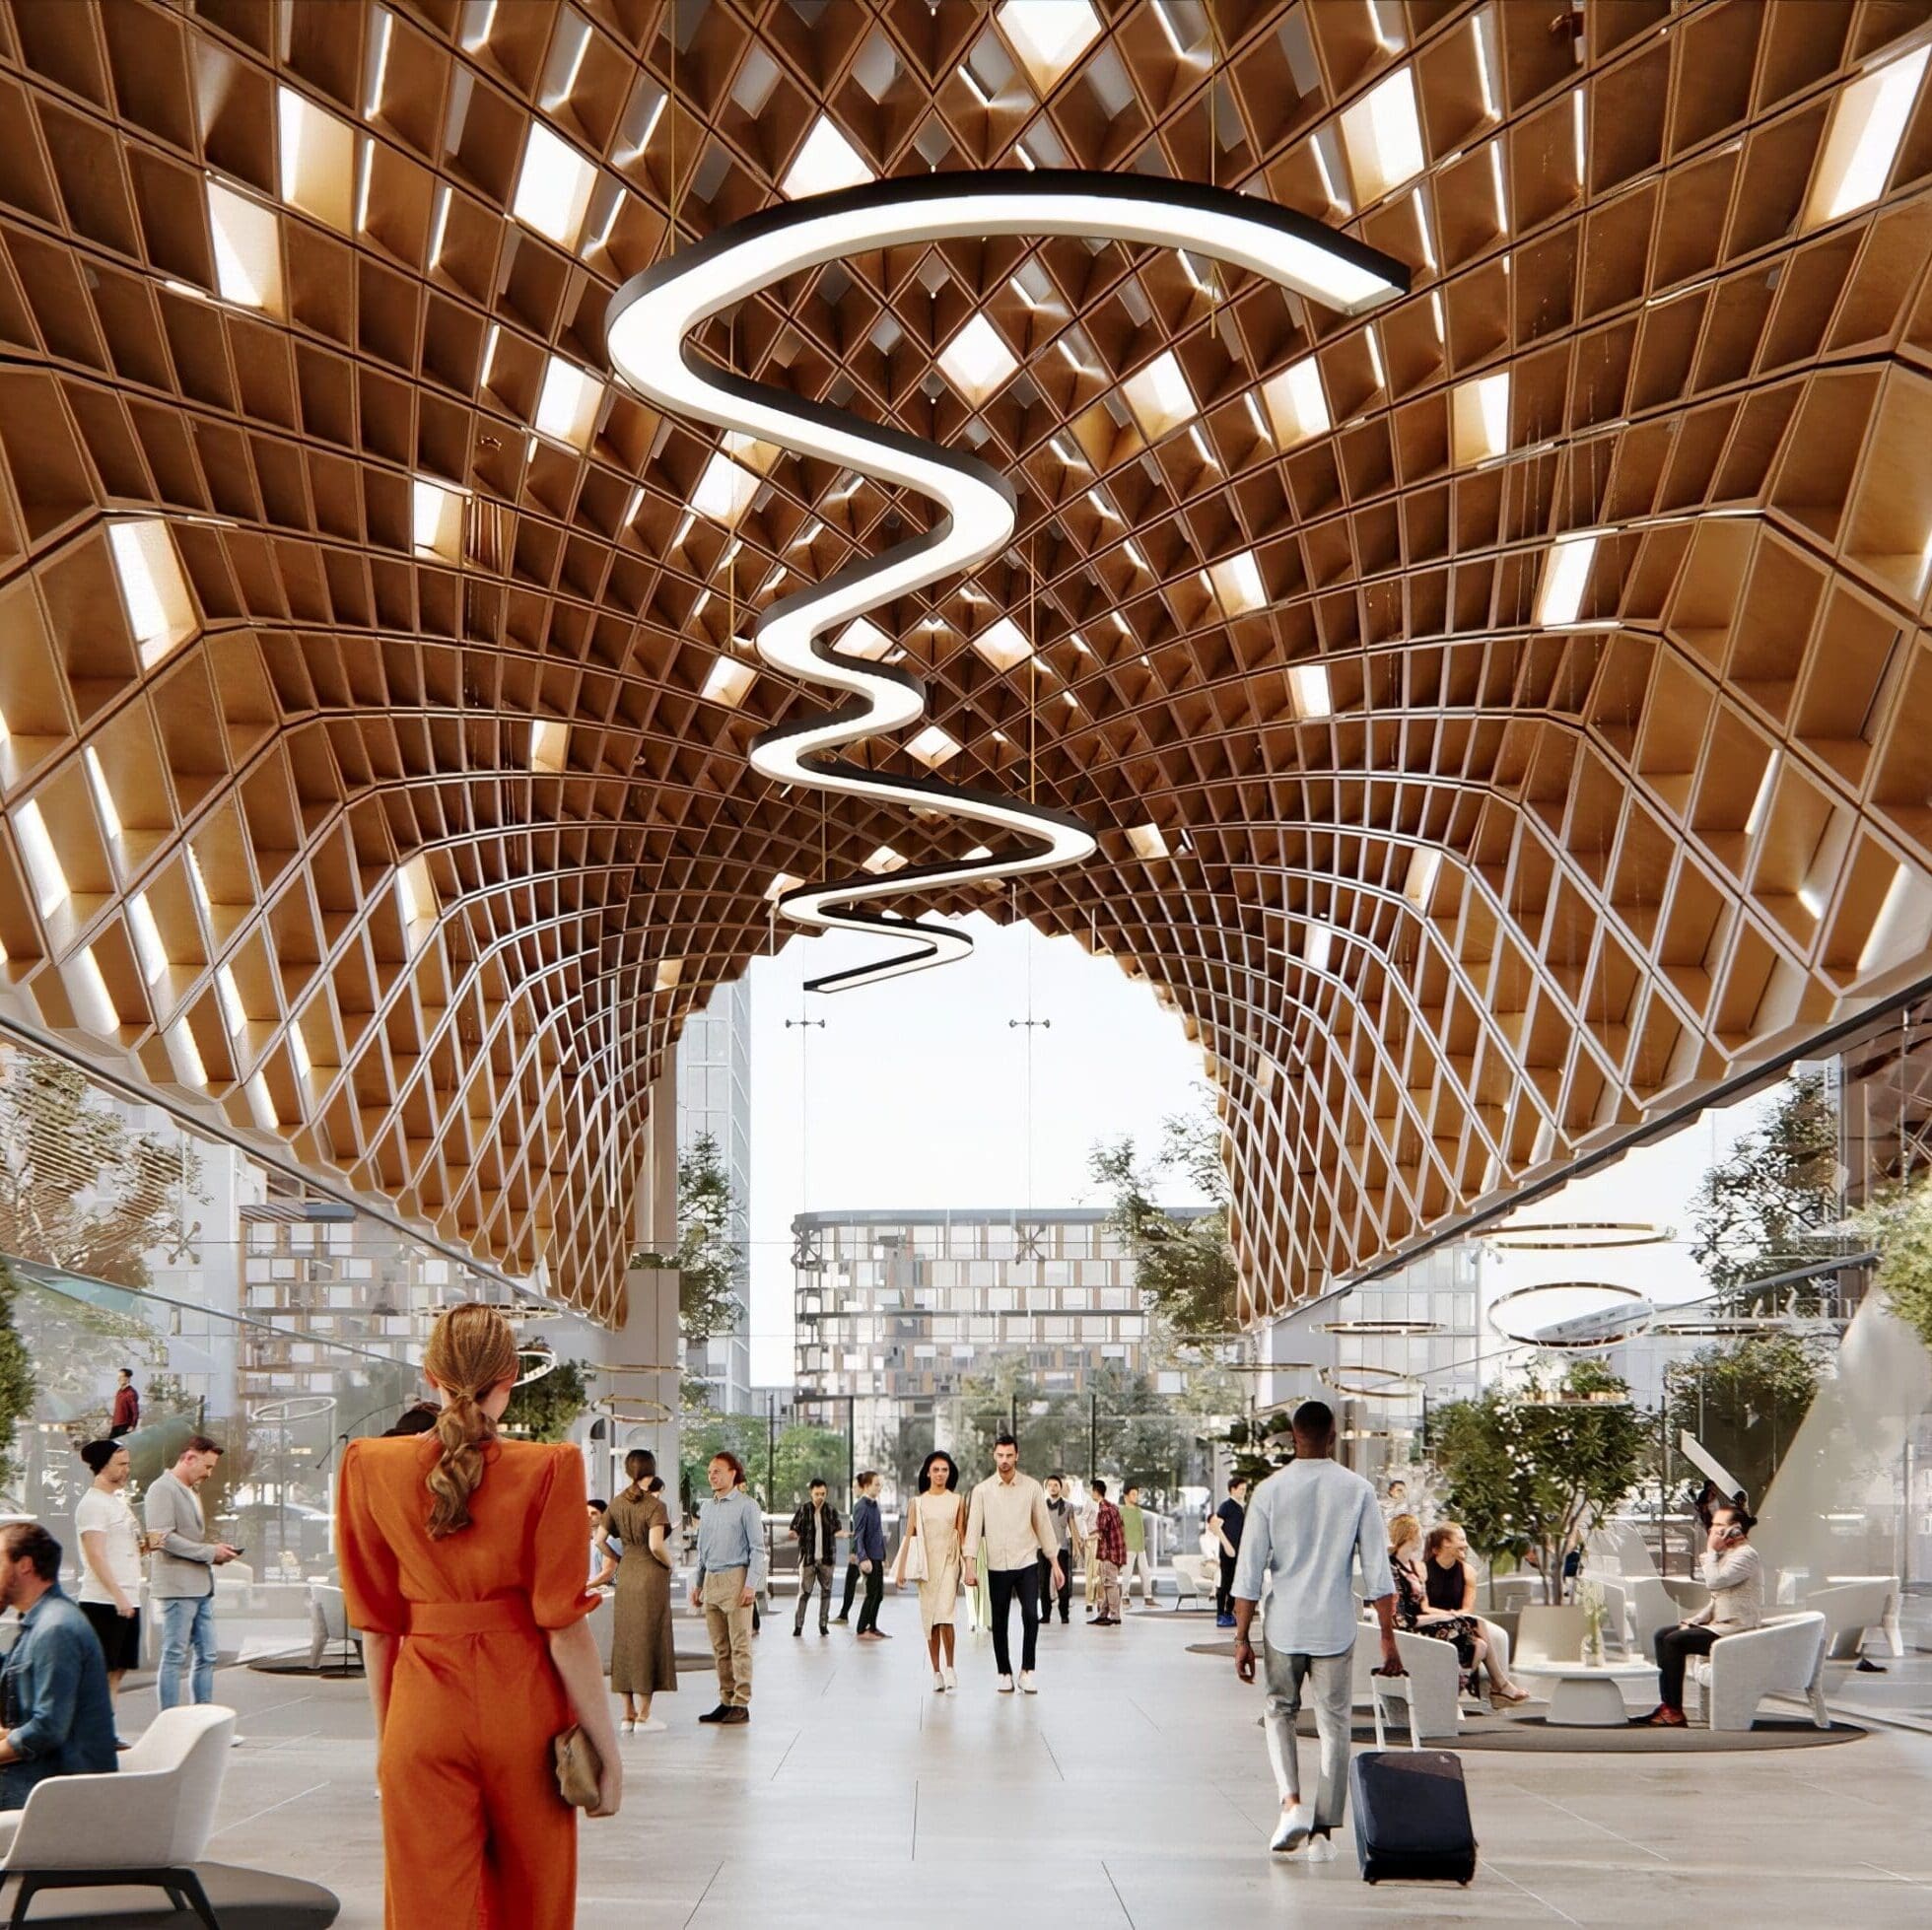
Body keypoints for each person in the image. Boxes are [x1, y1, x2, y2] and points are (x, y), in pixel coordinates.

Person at [337, 1301, 620, 1929]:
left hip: (421, 1711)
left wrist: (389, 1745)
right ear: (512, 1375)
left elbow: (378, 1627)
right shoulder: (551, 1468)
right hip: (525, 1712)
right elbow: (564, 1628)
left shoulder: (368, 1465)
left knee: (424, 1909)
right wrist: (609, 1751)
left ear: (428, 1375)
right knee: (533, 1906)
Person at [1232, 1400, 1398, 1858]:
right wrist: (1388, 1639)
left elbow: (1247, 1574)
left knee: (1279, 1712)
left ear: (1293, 1434)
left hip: (1283, 1623)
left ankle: (1291, 1805)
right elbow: (1379, 1576)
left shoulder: (1268, 1491)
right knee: (1335, 1724)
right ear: (1333, 1437)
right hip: (1334, 1626)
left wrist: (1241, 1638)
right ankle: (1323, 1832)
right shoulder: (1358, 1489)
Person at [0, 1522, 117, 1808]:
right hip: (45, 1774)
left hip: (59, 1787)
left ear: (24, 1565)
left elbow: (48, 1728)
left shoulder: (56, 1629)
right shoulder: (42, 1622)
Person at [1644, 1502, 1763, 1727]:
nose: (1712, 1530)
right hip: (1719, 1626)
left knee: (1674, 1642)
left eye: (1719, 1525)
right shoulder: (1730, 1554)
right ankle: (1669, 1706)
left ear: (1735, 1529)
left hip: (1736, 1630)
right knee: (1663, 1635)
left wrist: (1711, 1551)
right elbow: (1718, 1596)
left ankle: (1674, 1712)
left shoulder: (1746, 1555)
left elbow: (1714, 1581)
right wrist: (1696, 1620)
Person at [145, 1433, 239, 1710]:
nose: (209, 1473)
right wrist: (210, 1552)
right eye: (206, 1466)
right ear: (189, 1458)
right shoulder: (162, 1489)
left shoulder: (189, 1491)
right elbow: (162, 1539)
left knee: (207, 1655)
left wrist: (214, 1551)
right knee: (174, 1655)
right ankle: (170, 1720)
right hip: (177, 1586)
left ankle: (204, 1719)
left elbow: (186, 1538)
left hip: (199, 1585)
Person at [1391, 1517, 1529, 1705]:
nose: (1422, 1537)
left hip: (1432, 1621)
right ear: (1410, 1535)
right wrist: (1445, 1615)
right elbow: (1404, 1618)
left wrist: (1449, 1615)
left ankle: (1457, 1691)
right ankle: (1498, 1686)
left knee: (1480, 1644)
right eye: (1419, 1533)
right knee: (1477, 1628)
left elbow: (1425, 1606)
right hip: (1413, 1628)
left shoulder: (1415, 1568)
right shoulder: (1397, 1568)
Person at [963, 1433, 1062, 1693]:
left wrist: (1055, 1563)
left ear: (1017, 1456)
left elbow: (1043, 1525)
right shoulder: (982, 1490)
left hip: (1027, 1561)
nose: (1005, 1460)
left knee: (1031, 1615)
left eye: (1009, 1455)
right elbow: (973, 1530)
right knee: (1000, 1620)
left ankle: (1027, 1671)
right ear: (994, 1456)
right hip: (996, 1564)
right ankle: (1004, 1672)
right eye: (1000, 1455)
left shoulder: (1031, 1488)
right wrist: (970, 1565)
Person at [602, 1450, 674, 1736]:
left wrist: (619, 1558)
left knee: (626, 1640)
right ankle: (645, 1715)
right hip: (650, 1573)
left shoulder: (616, 1503)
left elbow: (599, 1540)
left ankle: (626, 1715)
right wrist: (669, 1565)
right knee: (649, 1638)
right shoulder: (655, 1506)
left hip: (627, 1572)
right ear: (651, 1470)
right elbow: (657, 1545)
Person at [693, 1451, 766, 1721]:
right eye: (710, 1471)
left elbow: (758, 1549)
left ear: (733, 1473)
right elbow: (702, 1550)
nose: (712, 1475)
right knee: (719, 1646)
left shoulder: (747, 1506)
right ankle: (725, 1698)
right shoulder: (707, 1507)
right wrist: (698, 1584)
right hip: (711, 1578)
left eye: (717, 1470)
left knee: (740, 1644)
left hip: (736, 1577)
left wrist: (751, 1585)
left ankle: (741, 1702)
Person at [75, 1439, 144, 1718]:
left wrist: (147, 1544)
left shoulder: (117, 1502)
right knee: (101, 1671)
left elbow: (122, 1547)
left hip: (128, 1595)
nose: (127, 1470)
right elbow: (95, 1555)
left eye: (128, 1463)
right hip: (103, 1600)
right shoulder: (92, 1505)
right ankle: (95, 1732)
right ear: (103, 1466)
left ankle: (107, 1730)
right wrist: (117, 1596)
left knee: (118, 1669)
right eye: (121, 1464)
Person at [894, 1450, 965, 1689]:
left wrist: (969, 1568)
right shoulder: (918, 1502)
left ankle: (951, 1667)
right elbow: (909, 1536)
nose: (940, 1474)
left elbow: (962, 1535)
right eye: (935, 1469)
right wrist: (900, 1569)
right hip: (926, 1566)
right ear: (927, 1472)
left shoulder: (957, 1501)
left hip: (949, 1562)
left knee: (946, 1616)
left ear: (950, 1473)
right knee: (931, 1621)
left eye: (944, 1470)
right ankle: (936, 1672)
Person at [790, 1479, 840, 1637]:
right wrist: (793, 1534)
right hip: (808, 1559)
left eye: (823, 1494)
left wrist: (844, 1534)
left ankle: (823, 1624)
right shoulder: (804, 1510)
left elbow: (837, 1530)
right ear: (811, 1493)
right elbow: (794, 1528)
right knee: (804, 1593)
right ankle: (798, 1626)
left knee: (826, 1592)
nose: (820, 1497)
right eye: (817, 1494)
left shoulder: (831, 1511)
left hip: (826, 1559)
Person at [850, 1470, 888, 1639]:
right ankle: (861, 1628)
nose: (879, 1488)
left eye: (880, 1484)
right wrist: (863, 1558)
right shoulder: (861, 1506)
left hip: (877, 1556)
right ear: (866, 1486)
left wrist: (883, 1556)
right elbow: (858, 1534)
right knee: (872, 1593)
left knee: (879, 1594)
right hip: (869, 1558)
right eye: (876, 1484)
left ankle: (872, 1626)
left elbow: (878, 1533)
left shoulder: (874, 1505)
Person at [1212, 1476, 1248, 1627]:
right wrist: (1227, 1545)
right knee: (1226, 1582)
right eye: (1241, 1489)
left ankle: (1229, 1612)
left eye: (1245, 1490)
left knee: (1234, 1582)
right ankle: (1221, 1614)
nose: (1243, 1492)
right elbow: (1214, 1526)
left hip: (1238, 1551)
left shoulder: (1240, 1507)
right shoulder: (1226, 1506)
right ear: (1233, 1489)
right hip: (1228, 1551)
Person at [1040, 1476, 1075, 1625]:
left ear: (1060, 1487)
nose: (1053, 1487)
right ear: (1047, 1487)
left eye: (1056, 1485)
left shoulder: (1068, 1506)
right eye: (1050, 1485)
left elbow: (1072, 1526)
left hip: (1061, 1548)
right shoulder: (1040, 1505)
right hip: (1042, 1548)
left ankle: (1064, 1615)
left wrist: (1078, 1545)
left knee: (1062, 1583)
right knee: (1043, 1583)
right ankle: (1045, 1615)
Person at [1090, 1478, 1125, 1625]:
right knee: (1107, 1583)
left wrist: (1087, 1537)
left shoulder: (1103, 1510)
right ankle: (1103, 1614)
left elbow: (1101, 1531)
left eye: (1092, 1491)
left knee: (1110, 1584)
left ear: (1096, 1492)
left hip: (1108, 1553)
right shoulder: (1113, 1507)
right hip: (1117, 1551)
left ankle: (1115, 1616)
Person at [1118, 1482, 1154, 1609]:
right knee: (1127, 1574)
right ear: (1126, 1496)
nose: (1136, 1497)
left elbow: (1141, 1528)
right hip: (1128, 1546)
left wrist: (1145, 1541)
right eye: (1133, 1494)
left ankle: (1148, 1597)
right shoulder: (1121, 1511)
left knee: (1145, 1572)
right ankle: (1125, 1597)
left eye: (1136, 1494)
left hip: (1140, 1546)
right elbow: (1118, 1530)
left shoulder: (1139, 1510)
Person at [1078, 1482, 1102, 1621]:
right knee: (1091, 1570)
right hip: (1092, 1539)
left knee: (1099, 1571)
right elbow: (1082, 1520)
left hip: (1101, 1539)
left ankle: (1100, 1599)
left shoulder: (1104, 1504)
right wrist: (1086, 1537)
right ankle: (1089, 1601)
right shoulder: (1089, 1503)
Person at [108, 1369, 139, 1439]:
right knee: (109, 1447)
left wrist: (132, 1425)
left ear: (127, 1378)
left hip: (125, 1426)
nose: (118, 1379)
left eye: (121, 1376)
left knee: (121, 1448)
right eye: (118, 1377)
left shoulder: (131, 1393)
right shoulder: (119, 1392)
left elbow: (135, 1411)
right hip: (116, 1425)